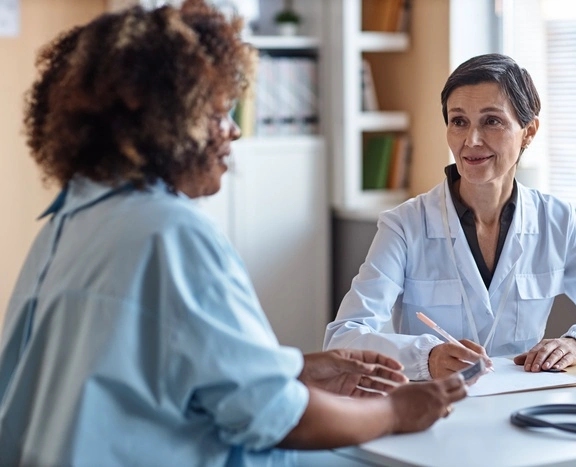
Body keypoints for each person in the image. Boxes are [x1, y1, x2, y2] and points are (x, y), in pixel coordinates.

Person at [0, 2, 470, 466]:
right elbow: (276, 418)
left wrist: (294, 370)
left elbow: (156, 370)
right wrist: (393, 411)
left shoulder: (68, 223)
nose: (233, 132)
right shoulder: (170, 232)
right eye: (219, 112)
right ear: (165, 122)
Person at [324, 53, 576, 381]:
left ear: (528, 132)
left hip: (523, 410)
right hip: (435, 408)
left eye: (492, 121)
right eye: (459, 122)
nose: (471, 140)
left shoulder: (555, 221)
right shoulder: (405, 225)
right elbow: (343, 338)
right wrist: (427, 356)